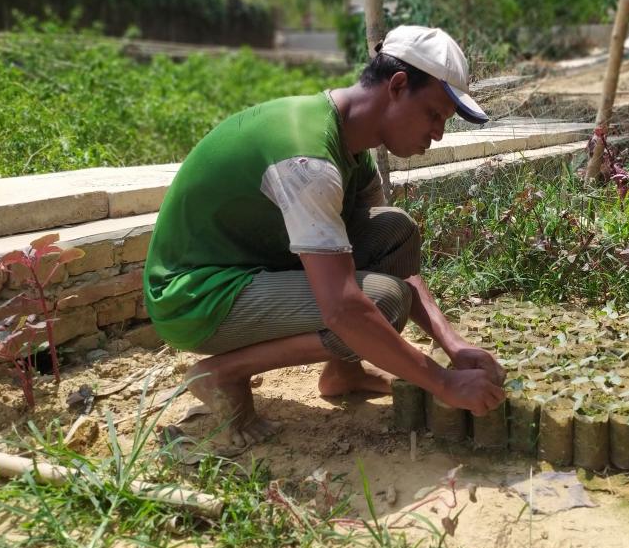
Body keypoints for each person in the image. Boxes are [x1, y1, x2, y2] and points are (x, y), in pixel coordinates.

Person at [142, 25, 506, 447]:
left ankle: (343, 372)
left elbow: (393, 259)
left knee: (394, 230)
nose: (439, 133)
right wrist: (443, 383)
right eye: (434, 114)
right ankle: (224, 373)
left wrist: (452, 343)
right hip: (194, 296)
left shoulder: (351, 148)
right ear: (399, 85)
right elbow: (344, 310)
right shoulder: (308, 160)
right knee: (379, 302)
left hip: (255, 269)